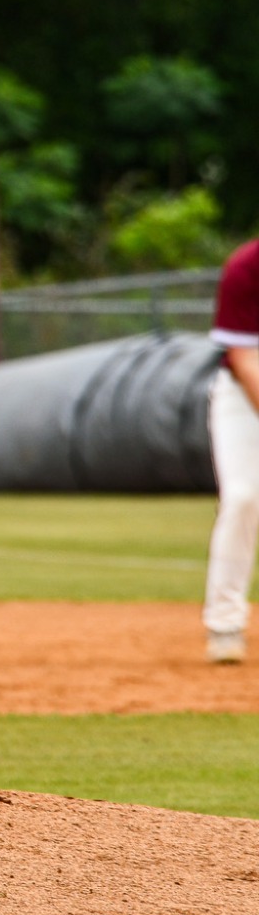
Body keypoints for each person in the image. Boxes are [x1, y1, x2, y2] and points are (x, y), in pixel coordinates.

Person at [204, 237, 259, 664]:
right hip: (243, 397)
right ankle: (225, 624)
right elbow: (244, 358)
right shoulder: (246, 266)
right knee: (243, 496)